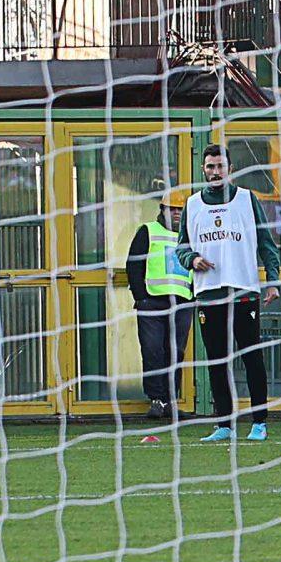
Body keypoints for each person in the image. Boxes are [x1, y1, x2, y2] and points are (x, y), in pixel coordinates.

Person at [184, 143, 280, 443]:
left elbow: (266, 241)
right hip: (208, 293)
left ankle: (259, 422)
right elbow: (182, 245)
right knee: (217, 361)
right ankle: (224, 424)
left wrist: (273, 280)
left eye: (220, 166)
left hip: (243, 292)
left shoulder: (246, 200)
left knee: (252, 358)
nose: (215, 172)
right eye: (210, 166)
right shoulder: (192, 204)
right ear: (203, 169)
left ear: (230, 169)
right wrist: (192, 259)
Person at [121, 181, 193, 426]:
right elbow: (134, 264)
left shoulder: (191, 236)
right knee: (153, 351)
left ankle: (171, 400)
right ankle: (156, 400)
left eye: (179, 209)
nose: (175, 213)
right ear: (162, 209)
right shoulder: (148, 231)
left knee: (176, 352)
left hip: (182, 302)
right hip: (152, 301)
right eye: (171, 208)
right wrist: (140, 297)